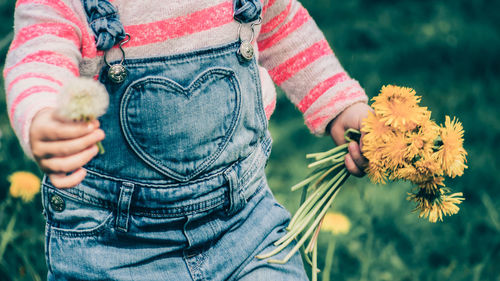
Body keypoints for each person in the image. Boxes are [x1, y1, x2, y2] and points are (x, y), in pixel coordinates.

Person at [4, 0, 371, 280]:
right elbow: (38, 54)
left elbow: (284, 27)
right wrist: (43, 115)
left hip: (244, 224)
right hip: (117, 247)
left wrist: (339, 104)